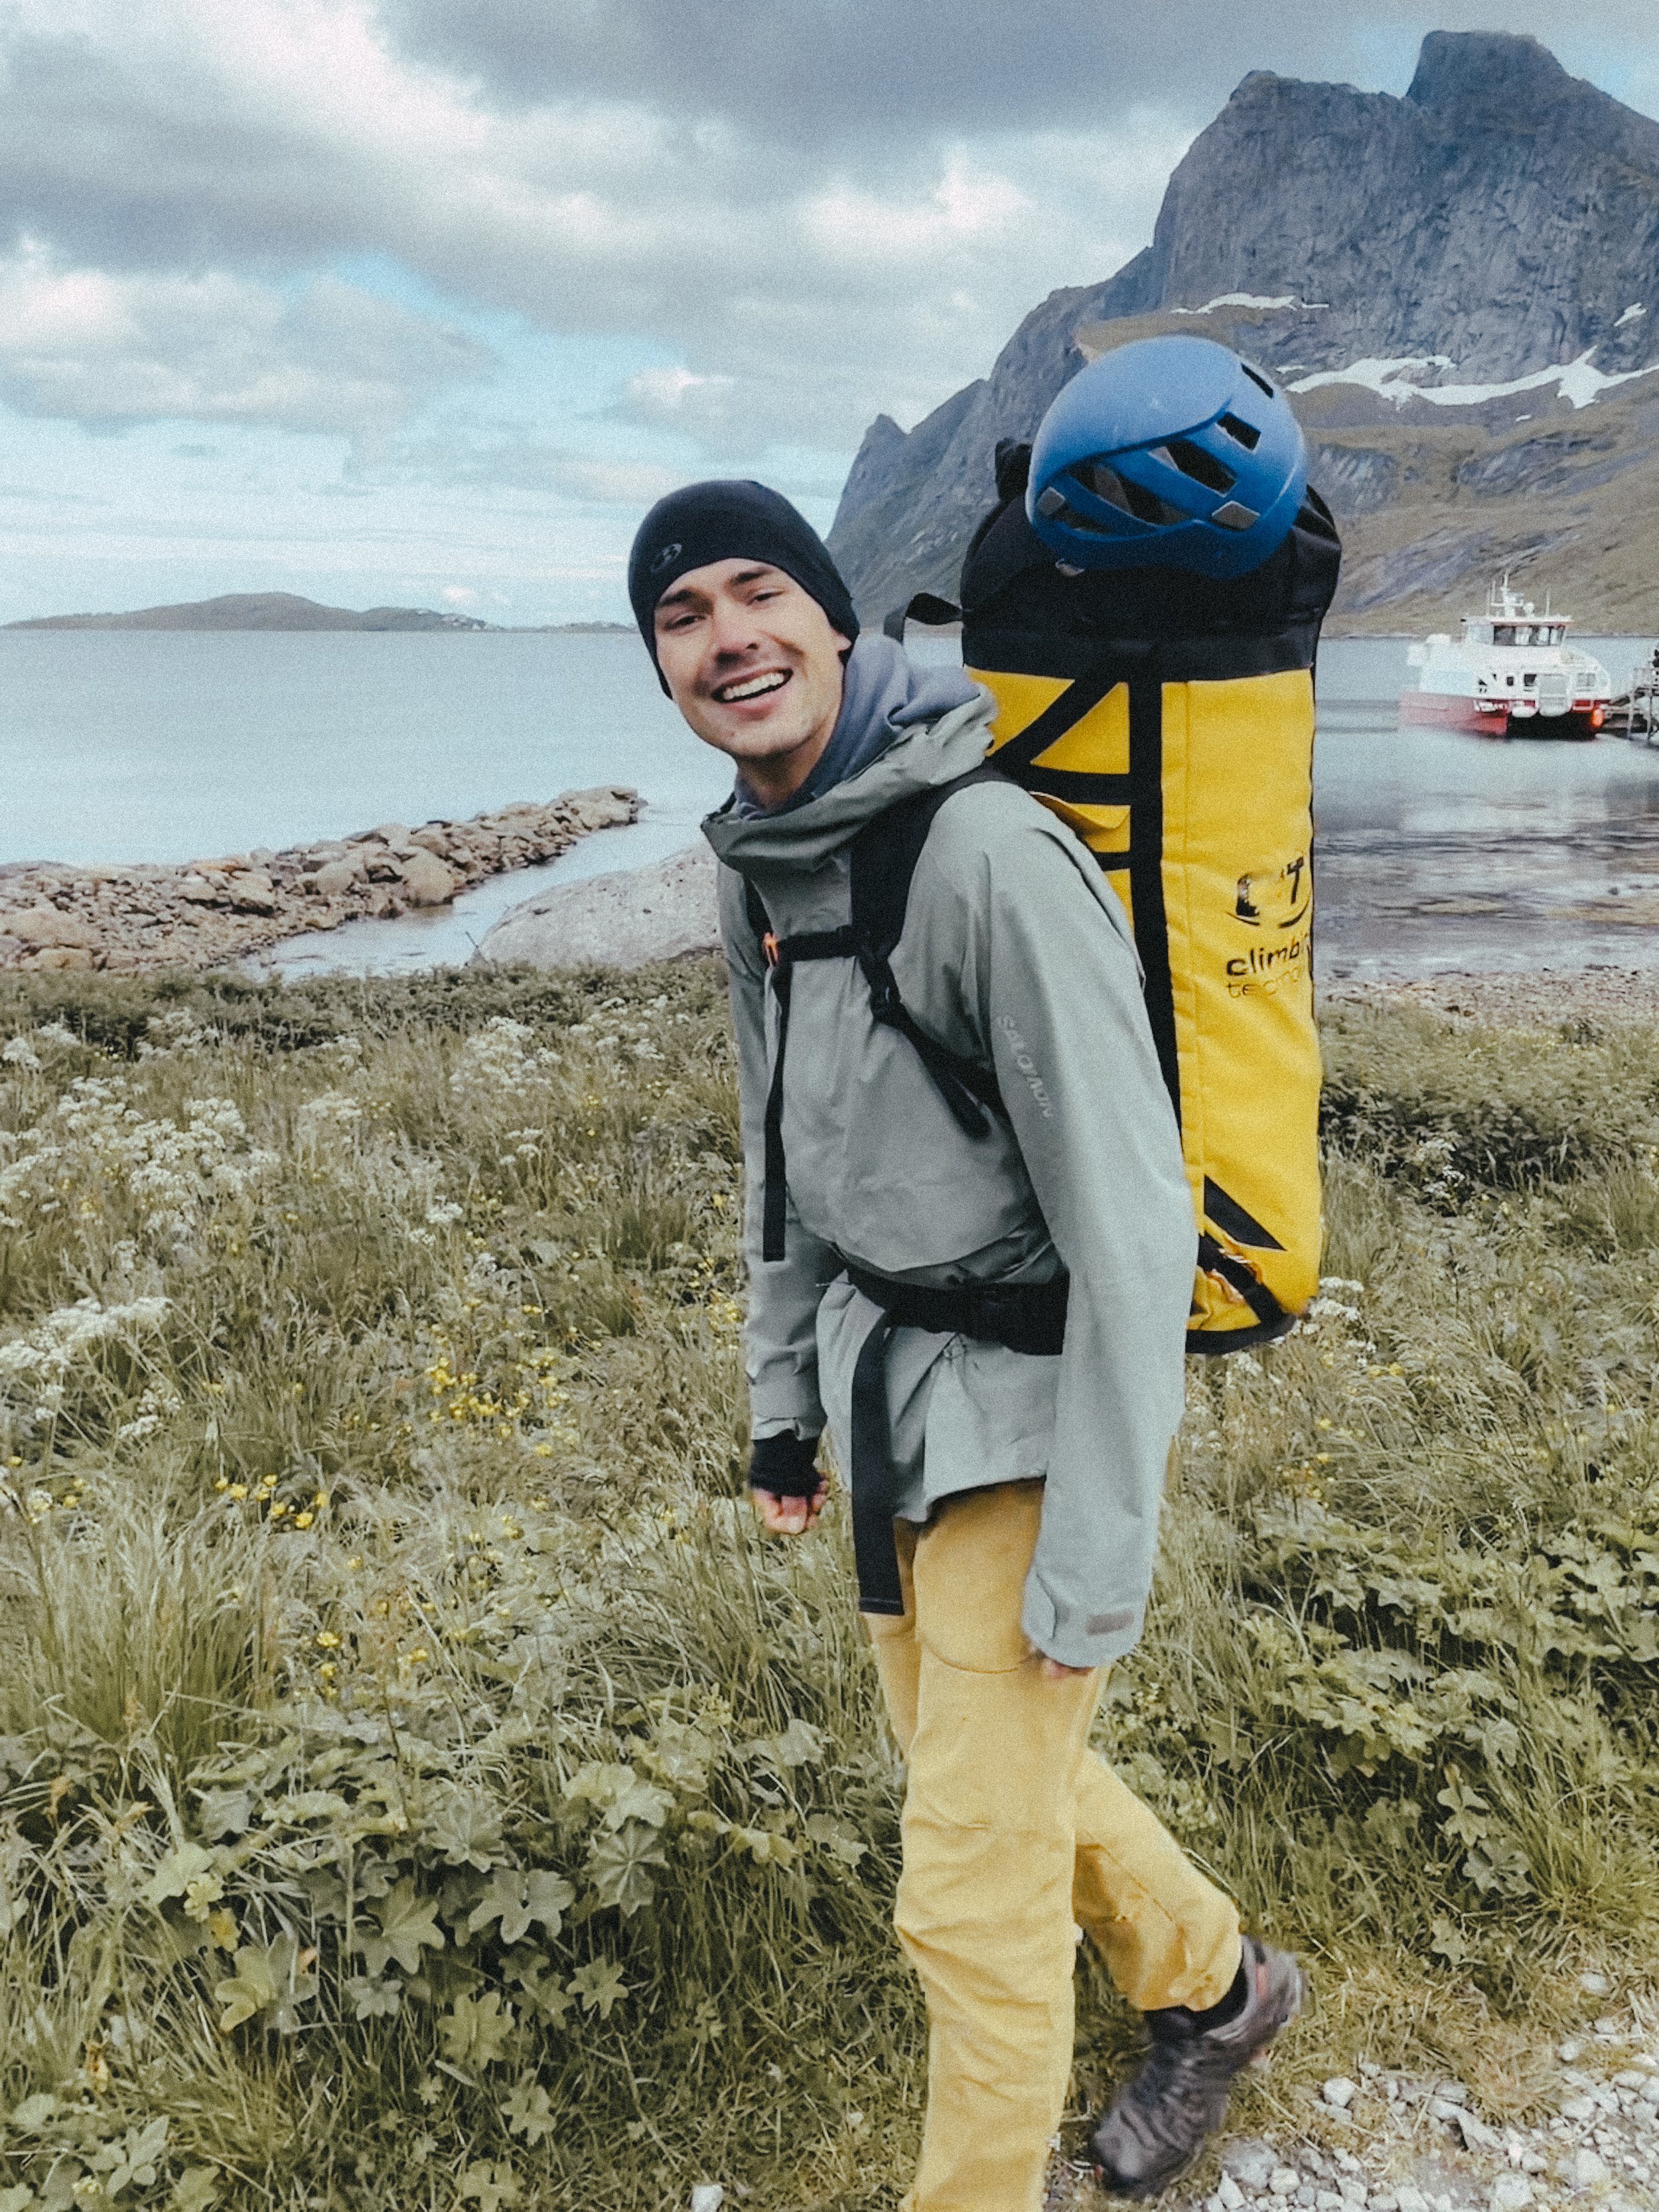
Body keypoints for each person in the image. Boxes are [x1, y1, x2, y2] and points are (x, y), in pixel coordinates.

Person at [628, 478, 1303, 2210]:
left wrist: (1100, 1552)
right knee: (978, 1775)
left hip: (1028, 1418)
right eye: (682, 615)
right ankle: (1218, 1988)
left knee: (964, 1889)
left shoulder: (986, 854)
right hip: (886, 1409)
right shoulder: (761, 868)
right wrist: (781, 1409)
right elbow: (783, 1158)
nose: (727, 638)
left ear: (836, 618)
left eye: (758, 592)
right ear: (660, 665)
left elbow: (1133, 1224)